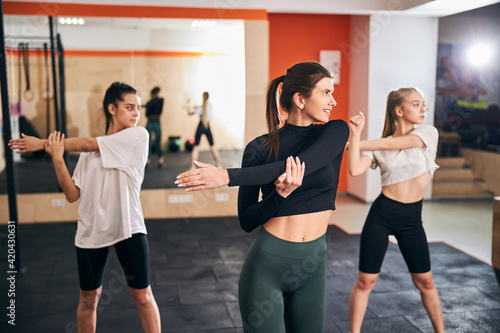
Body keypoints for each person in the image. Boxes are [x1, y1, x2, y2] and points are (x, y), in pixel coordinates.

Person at [176, 62, 349, 332]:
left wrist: (227, 176)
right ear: (300, 99)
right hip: (267, 265)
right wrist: (278, 197)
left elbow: (299, 165)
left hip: (314, 264)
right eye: (326, 93)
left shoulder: (335, 132)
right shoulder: (259, 148)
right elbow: (247, 220)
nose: (333, 101)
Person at [9, 82, 161, 333]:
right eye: (130, 107)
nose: (137, 113)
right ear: (112, 108)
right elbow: (71, 194)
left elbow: (90, 143)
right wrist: (57, 160)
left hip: (129, 227)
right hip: (92, 230)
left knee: (143, 297)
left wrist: (42, 144)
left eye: (139, 108)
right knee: (89, 300)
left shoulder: (138, 136)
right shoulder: (88, 153)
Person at [347, 88, 444, 333]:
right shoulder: (379, 147)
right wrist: (355, 135)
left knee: (425, 281)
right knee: (365, 282)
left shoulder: (427, 133)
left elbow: (392, 143)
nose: (424, 109)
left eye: (423, 104)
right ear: (399, 111)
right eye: (416, 104)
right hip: (382, 215)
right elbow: (355, 170)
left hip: (412, 219)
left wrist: (352, 143)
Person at [186, 91, 222, 169]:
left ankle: (192, 166)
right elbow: (203, 107)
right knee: (213, 146)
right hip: (207, 126)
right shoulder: (210, 106)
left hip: (201, 126)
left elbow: (189, 113)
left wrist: (188, 104)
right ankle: (219, 165)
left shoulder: (200, 108)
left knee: (196, 147)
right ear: (208, 97)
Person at [145, 86, 164, 168]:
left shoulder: (160, 100)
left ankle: (160, 159)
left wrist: (150, 103)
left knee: (158, 141)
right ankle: (147, 160)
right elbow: (146, 114)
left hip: (156, 121)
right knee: (147, 141)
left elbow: (158, 110)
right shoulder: (150, 102)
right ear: (157, 93)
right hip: (150, 121)